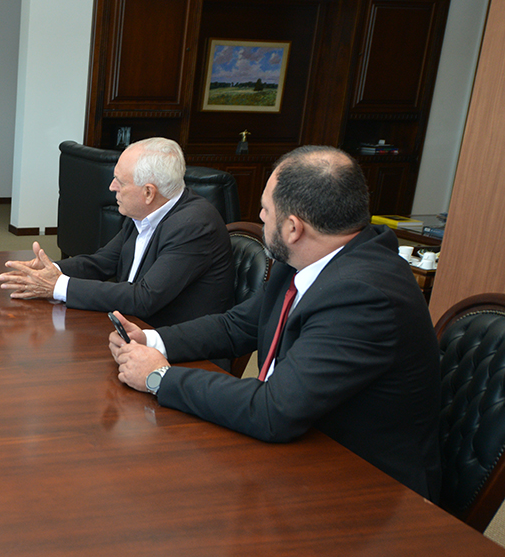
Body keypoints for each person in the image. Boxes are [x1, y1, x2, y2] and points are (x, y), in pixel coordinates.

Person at [109, 146, 441, 499]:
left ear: (294, 228)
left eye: (265, 209)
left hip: (365, 489)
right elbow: (236, 326)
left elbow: (274, 409)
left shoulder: (363, 296)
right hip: (299, 452)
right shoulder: (306, 260)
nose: (260, 216)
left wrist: (159, 377)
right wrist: (151, 340)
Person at [0, 137, 234, 328]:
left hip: (175, 348)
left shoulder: (194, 226)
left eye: (120, 181)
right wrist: (50, 270)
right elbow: (102, 262)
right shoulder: (143, 212)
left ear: (148, 193)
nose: (112, 187)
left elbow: (144, 298)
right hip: (132, 327)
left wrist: (58, 286)